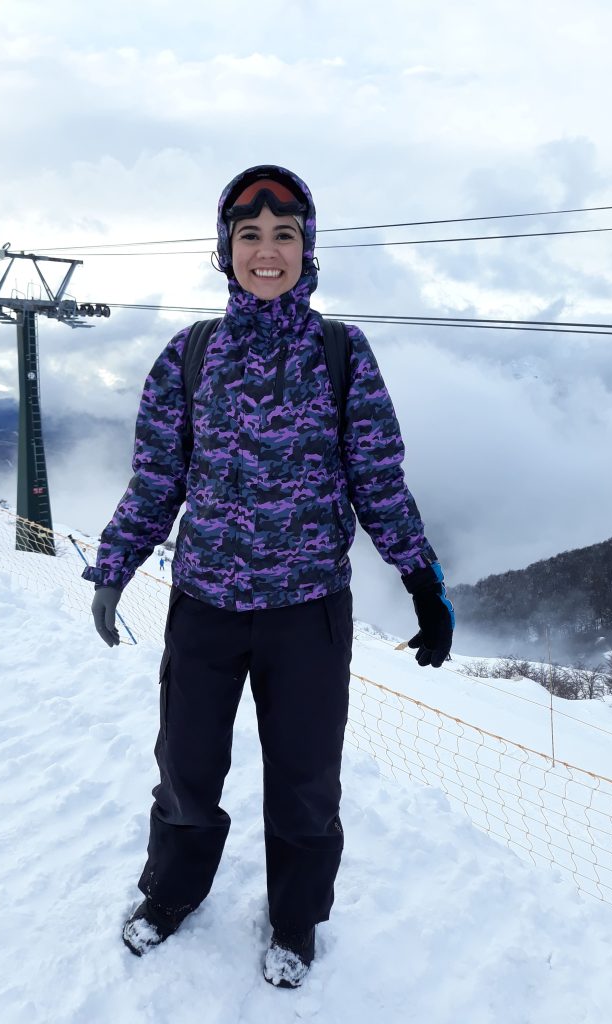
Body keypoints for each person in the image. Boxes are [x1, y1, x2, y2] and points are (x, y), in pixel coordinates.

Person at [83, 165, 454, 988]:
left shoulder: (341, 353)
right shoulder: (190, 355)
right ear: (225, 251)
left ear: (306, 248)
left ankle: (295, 920)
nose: (266, 250)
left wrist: (420, 579)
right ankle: (172, 892)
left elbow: (378, 479)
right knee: (186, 766)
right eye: (248, 235)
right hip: (206, 603)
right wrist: (114, 567)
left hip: (309, 613)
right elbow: (156, 478)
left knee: (305, 779)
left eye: (283, 235)